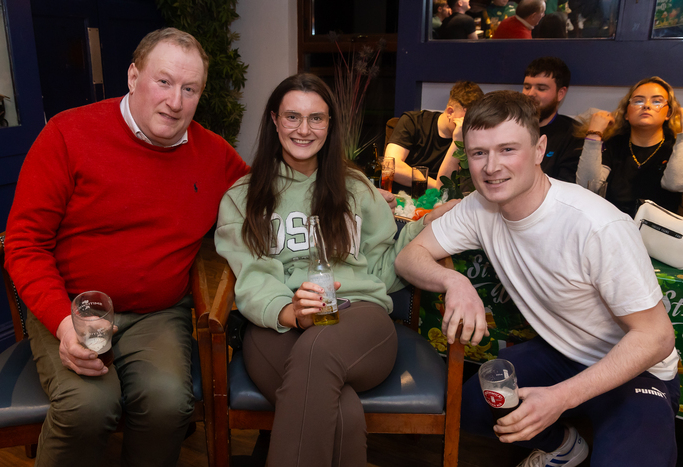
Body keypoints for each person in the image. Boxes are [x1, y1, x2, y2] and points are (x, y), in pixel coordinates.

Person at [4, 28, 248, 467]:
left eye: (189, 89)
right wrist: (63, 324)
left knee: (168, 403)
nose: (175, 101)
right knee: (88, 406)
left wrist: (354, 193)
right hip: (73, 305)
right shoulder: (67, 134)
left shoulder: (213, 154)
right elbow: (25, 243)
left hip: (158, 314)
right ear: (134, 76)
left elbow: (269, 197)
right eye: (164, 82)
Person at [395, 90, 679, 467]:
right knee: (473, 409)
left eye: (508, 149)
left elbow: (656, 337)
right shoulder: (480, 207)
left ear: (539, 148)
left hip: (635, 368)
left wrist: (561, 397)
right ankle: (563, 445)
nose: (491, 167)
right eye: (479, 153)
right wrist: (455, 283)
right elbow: (408, 257)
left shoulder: (597, 225)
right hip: (563, 351)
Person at [215, 73, 453, 467]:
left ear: (330, 124)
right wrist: (291, 312)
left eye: (316, 118)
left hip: (358, 316)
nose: (304, 129)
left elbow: (385, 259)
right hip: (277, 325)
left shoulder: (356, 187)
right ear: (274, 120)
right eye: (292, 117)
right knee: (340, 413)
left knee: (318, 350)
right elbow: (252, 276)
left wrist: (427, 224)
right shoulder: (243, 197)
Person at [576, 76, 683, 217]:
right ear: (626, 113)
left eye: (657, 101)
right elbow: (587, 186)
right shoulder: (614, 144)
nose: (646, 106)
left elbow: (674, 184)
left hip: (660, 228)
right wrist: (594, 134)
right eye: (638, 101)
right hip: (614, 224)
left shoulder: (676, 147)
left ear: (668, 113)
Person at [386, 81, 484, 191]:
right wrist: (437, 186)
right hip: (404, 196)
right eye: (467, 120)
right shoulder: (413, 122)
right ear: (450, 112)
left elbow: (455, 185)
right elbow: (391, 166)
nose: (470, 127)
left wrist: (457, 142)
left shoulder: (469, 138)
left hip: (444, 200)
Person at [522, 56, 582, 182]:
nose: (530, 94)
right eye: (527, 87)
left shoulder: (574, 134)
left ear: (560, 93)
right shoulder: (510, 126)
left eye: (541, 88)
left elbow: (566, 184)